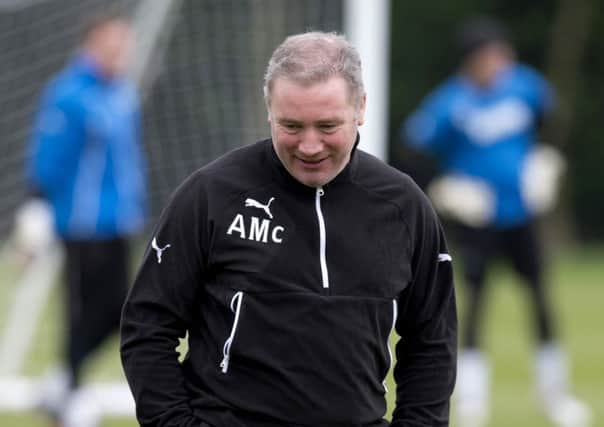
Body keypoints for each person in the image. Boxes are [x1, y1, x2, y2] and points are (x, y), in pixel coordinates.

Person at [121, 31, 457, 427]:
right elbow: (147, 327)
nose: (309, 146)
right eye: (292, 126)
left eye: (327, 126)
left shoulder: (404, 206)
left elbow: (432, 344)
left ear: (361, 107)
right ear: (270, 111)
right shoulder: (211, 195)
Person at [402, 16, 590, 427]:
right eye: (490, 56)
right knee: (474, 304)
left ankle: (555, 393)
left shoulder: (525, 85)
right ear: (471, 60)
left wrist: (543, 160)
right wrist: (446, 187)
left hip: (521, 213)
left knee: (540, 297)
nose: (499, 62)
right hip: (478, 218)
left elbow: (549, 122)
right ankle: (472, 399)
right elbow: (413, 150)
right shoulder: (449, 103)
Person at [27, 13, 147, 427]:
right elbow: (49, 158)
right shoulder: (68, 94)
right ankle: (71, 393)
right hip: (80, 223)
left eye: (124, 44)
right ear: (91, 44)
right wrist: (38, 208)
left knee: (121, 309)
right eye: (112, 43)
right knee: (79, 311)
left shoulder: (123, 93)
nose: (120, 52)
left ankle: (62, 379)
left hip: (119, 222)